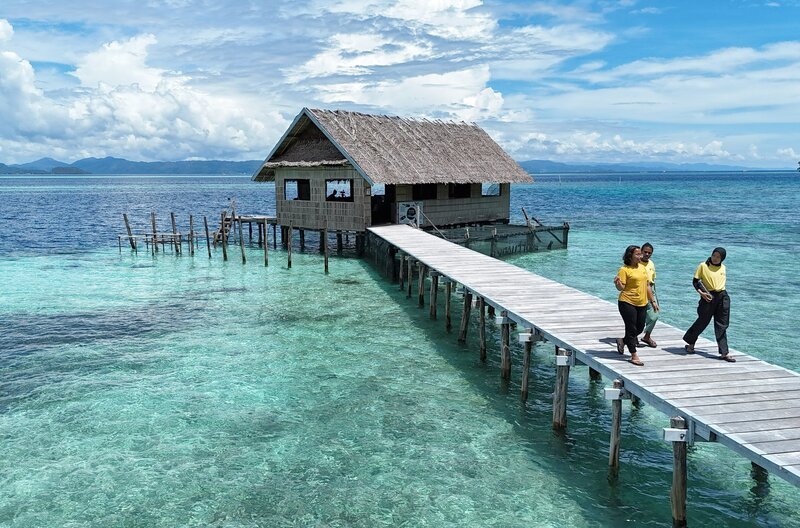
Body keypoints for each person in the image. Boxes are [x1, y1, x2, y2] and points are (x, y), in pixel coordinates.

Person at [683, 247, 735, 362]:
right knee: (702, 321)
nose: (715, 258)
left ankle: (724, 353)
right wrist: (701, 293)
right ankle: (691, 344)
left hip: (723, 296)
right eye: (714, 255)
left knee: (722, 325)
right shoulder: (703, 266)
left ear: (723, 258)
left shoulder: (723, 268)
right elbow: (695, 281)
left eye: (718, 257)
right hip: (708, 297)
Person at [614, 245, 659, 366]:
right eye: (638, 254)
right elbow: (621, 288)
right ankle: (634, 355)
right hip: (627, 302)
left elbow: (647, 285)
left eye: (640, 254)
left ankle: (622, 341)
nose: (641, 256)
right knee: (631, 328)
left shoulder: (642, 268)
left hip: (642, 302)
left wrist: (653, 301)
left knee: (639, 328)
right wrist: (617, 284)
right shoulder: (624, 270)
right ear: (630, 256)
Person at [640, 242, 659, 347]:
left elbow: (652, 279)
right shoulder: (636, 263)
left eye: (649, 253)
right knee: (639, 317)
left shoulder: (651, 263)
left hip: (651, 290)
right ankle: (632, 338)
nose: (647, 254)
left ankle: (647, 336)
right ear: (641, 252)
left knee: (654, 316)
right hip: (639, 291)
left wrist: (653, 298)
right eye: (645, 252)